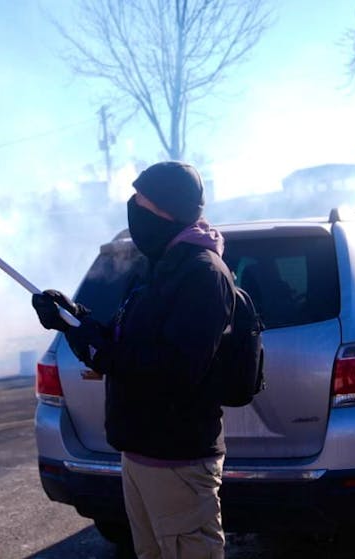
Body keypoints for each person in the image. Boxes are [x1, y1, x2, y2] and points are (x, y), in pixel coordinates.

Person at [32, 161, 235, 559]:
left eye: (142, 200)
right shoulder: (159, 267)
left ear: (168, 209)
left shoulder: (202, 274)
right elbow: (132, 340)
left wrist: (100, 350)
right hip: (140, 451)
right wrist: (74, 321)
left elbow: (175, 368)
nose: (133, 206)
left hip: (177, 457)